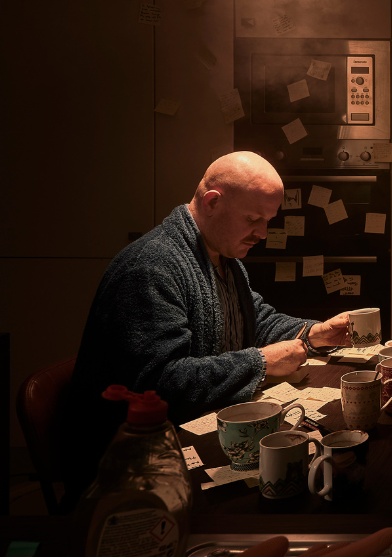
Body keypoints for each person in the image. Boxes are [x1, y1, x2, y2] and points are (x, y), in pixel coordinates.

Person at [67, 152, 352, 500]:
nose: (262, 233)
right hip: (130, 476)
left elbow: (256, 320)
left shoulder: (223, 257)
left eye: (268, 221)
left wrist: (314, 332)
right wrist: (260, 363)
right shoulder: (152, 267)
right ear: (212, 202)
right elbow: (162, 384)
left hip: (196, 435)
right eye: (252, 218)